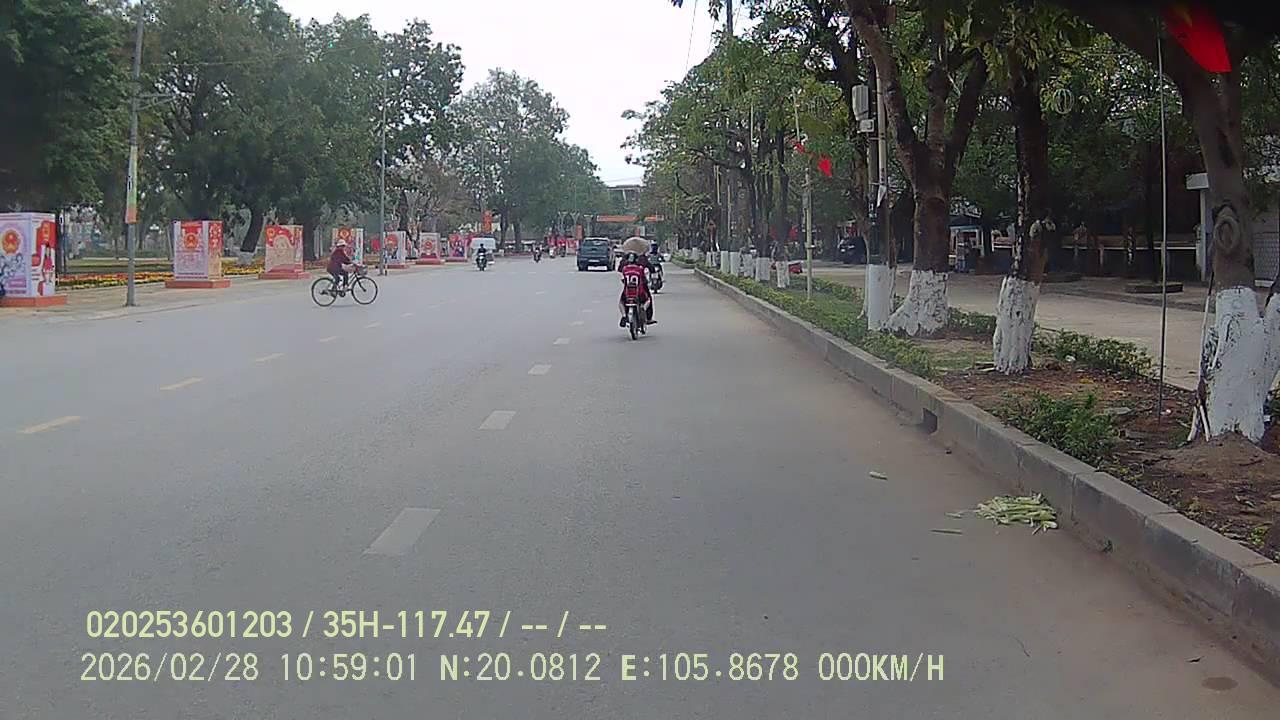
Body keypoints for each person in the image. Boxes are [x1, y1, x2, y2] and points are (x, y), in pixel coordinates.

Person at [617, 251, 655, 326]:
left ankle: (624, 315)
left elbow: (621, 274)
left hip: (627, 291)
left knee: (621, 302)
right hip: (640, 290)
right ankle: (646, 314)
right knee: (648, 299)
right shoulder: (640, 266)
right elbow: (645, 276)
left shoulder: (625, 267)